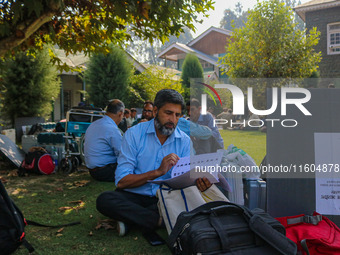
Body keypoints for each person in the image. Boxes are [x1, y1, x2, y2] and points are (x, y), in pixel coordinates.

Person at [96, 89, 212, 239]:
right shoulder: (134, 135)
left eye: (177, 115)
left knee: (191, 200)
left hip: (166, 196)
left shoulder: (184, 141)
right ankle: (160, 221)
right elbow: (121, 182)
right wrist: (157, 172)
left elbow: (186, 178)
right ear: (155, 111)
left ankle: (132, 220)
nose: (173, 120)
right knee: (105, 200)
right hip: (134, 194)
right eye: (168, 113)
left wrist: (200, 182)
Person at [84, 99, 124, 182]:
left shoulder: (94, 124)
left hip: (93, 171)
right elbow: (122, 154)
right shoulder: (111, 129)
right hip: (105, 171)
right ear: (120, 114)